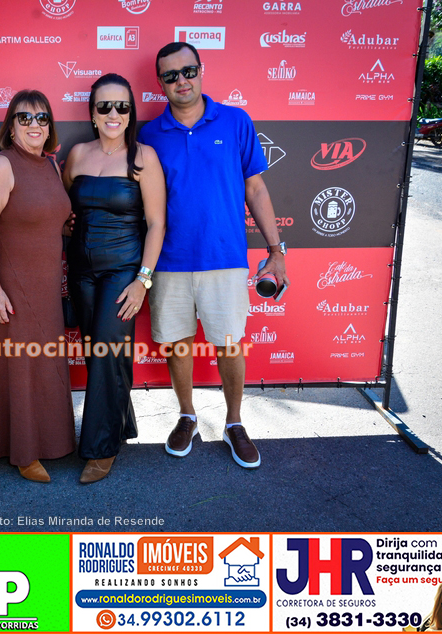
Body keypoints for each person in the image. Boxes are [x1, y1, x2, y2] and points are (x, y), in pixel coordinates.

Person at [138, 42, 289, 469]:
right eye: (170, 75)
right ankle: (187, 416)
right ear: (160, 83)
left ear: (201, 70)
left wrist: (276, 251)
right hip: (168, 261)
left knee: (229, 345)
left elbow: (255, 188)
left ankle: (234, 423)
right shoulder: (149, 135)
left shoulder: (236, 121)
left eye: (188, 71)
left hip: (225, 258)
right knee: (178, 345)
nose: (181, 81)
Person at [63, 73, 166, 483]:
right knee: (100, 355)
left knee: (107, 352)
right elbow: (62, 205)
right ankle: (121, 423)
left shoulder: (144, 158)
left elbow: (156, 224)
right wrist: (65, 223)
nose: (113, 113)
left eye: (121, 106)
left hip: (123, 273)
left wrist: (143, 280)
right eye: (104, 106)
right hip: (81, 272)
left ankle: (101, 448)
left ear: (130, 112)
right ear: (92, 113)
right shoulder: (77, 155)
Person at [0, 90, 76, 482]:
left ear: (50, 127)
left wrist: (66, 224)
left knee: (44, 365)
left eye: (42, 118)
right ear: (11, 127)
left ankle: (50, 441)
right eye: (25, 117)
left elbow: (47, 216)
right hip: (13, 289)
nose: (35, 124)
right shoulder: (2, 165)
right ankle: (23, 452)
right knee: (19, 367)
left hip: (46, 287)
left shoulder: (50, 165)